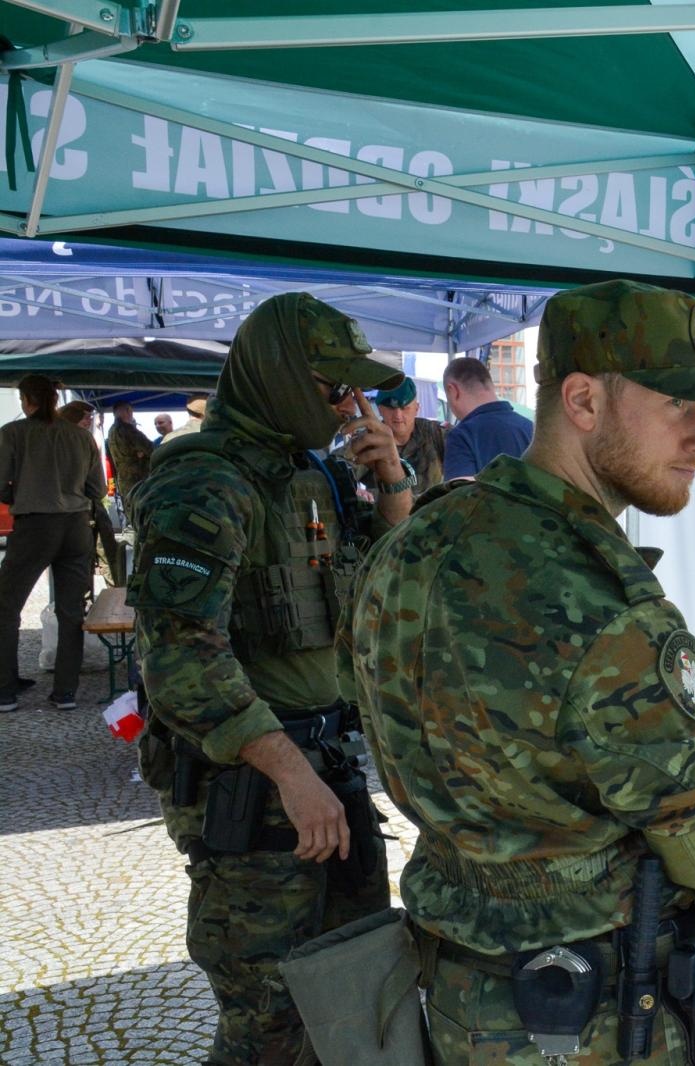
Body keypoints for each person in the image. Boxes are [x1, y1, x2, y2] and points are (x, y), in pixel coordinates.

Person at [350, 279, 695, 1065]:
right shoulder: (607, 610)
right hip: (584, 1021)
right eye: (679, 407)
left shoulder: (412, 543)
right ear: (582, 401)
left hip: (449, 995)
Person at [127, 293, 413, 1065]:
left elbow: (392, 584)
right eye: (333, 389)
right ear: (281, 378)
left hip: (324, 771)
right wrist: (289, 772)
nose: (351, 405)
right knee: (271, 1024)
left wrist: (392, 484)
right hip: (256, 794)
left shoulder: (306, 473)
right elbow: (181, 655)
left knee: (350, 991)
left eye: (358, 391)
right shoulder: (205, 482)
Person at [0, 375, 104, 712]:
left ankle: (5, 690)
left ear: (27, 400)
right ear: (56, 400)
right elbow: (97, 490)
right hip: (75, 526)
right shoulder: (81, 436)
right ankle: (65, 692)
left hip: (34, 525)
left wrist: (20, 493)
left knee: (6, 607)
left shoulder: (12, 434)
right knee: (72, 611)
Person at [342, 376, 449, 498]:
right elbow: (337, 466)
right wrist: (354, 490)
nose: (398, 415)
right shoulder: (369, 439)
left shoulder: (436, 433)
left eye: (405, 408)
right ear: (380, 410)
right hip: (387, 513)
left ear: (417, 409)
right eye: (390, 408)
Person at [58, 400, 122, 580]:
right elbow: (98, 487)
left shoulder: (52, 439)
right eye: (86, 417)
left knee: (77, 566)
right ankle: (114, 596)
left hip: (71, 512)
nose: (89, 422)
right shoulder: (82, 439)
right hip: (85, 510)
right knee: (103, 557)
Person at [441, 355, 532, 479]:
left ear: (453, 391)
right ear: (490, 385)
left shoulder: (462, 437)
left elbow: (458, 495)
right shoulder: (532, 428)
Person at [106, 400, 154, 501]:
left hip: (123, 480)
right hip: (138, 479)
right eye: (129, 410)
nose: (131, 414)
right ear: (126, 411)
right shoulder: (127, 429)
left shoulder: (111, 431)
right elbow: (150, 448)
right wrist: (141, 454)